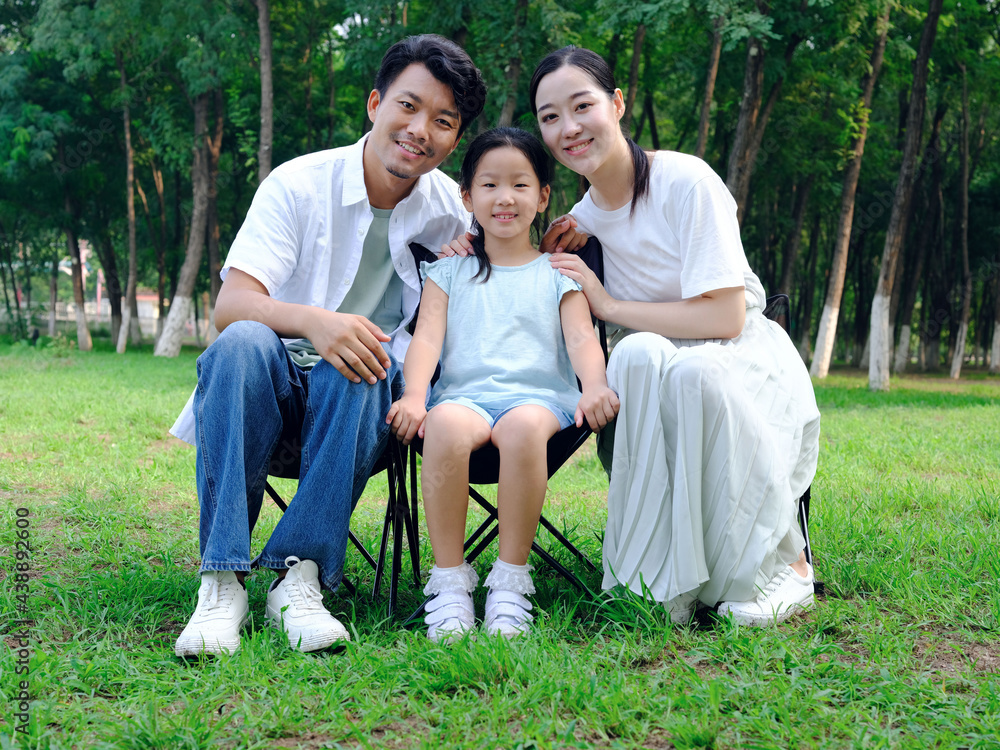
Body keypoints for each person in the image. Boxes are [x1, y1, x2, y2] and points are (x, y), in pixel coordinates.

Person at [168, 35, 487, 657]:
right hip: (266, 400)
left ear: (454, 139)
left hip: (358, 413)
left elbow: (512, 253)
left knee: (366, 360)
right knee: (241, 344)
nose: (420, 130)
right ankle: (222, 581)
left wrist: (557, 236)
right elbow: (229, 308)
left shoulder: (454, 211)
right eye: (408, 107)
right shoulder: (299, 184)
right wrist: (316, 322)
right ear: (375, 103)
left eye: (443, 121)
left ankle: (299, 577)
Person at [528, 47, 821, 626]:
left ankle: (782, 569)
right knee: (637, 352)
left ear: (617, 103)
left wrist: (609, 303)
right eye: (549, 116)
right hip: (651, 379)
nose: (569, 128)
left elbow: (726, 318)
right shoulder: (578, 222)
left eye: (582, 106)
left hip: (737, 360)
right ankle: (651, 582)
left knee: (690, 367)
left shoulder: (685, 180)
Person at [387, 127, 619, 641]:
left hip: (539, 401)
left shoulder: (560, 272)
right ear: (468, 197)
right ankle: (449, 584)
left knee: (520, 428)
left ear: (542, 197)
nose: (504, 198)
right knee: (444, 425)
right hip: (464, 399)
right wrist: (414, 395)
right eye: (489, 185)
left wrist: (595, 385)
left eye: (520, 185)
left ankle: (511, 583)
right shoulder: (448, 273)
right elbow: (426, 342)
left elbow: (582, 339)